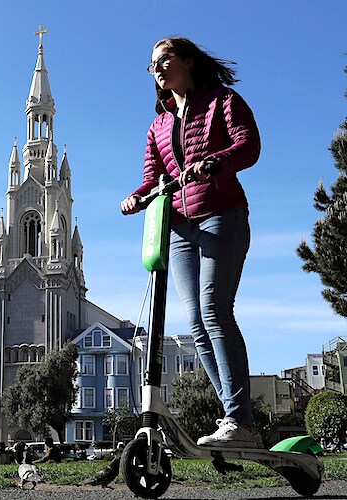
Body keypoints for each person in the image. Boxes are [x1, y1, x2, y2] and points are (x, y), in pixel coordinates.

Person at [121, 37, 262, 448]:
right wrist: (137, 195)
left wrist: (215, 162)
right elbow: (153, 176)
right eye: (153, 65)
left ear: (188, 62)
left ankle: (240, 420)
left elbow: (248, 145)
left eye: (165, 60)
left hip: (222, 214)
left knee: (216, 311)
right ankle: (236, 420)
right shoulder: (158, 125)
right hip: (179, 227)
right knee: (197, 325)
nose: (158, 69)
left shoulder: (222, 101)